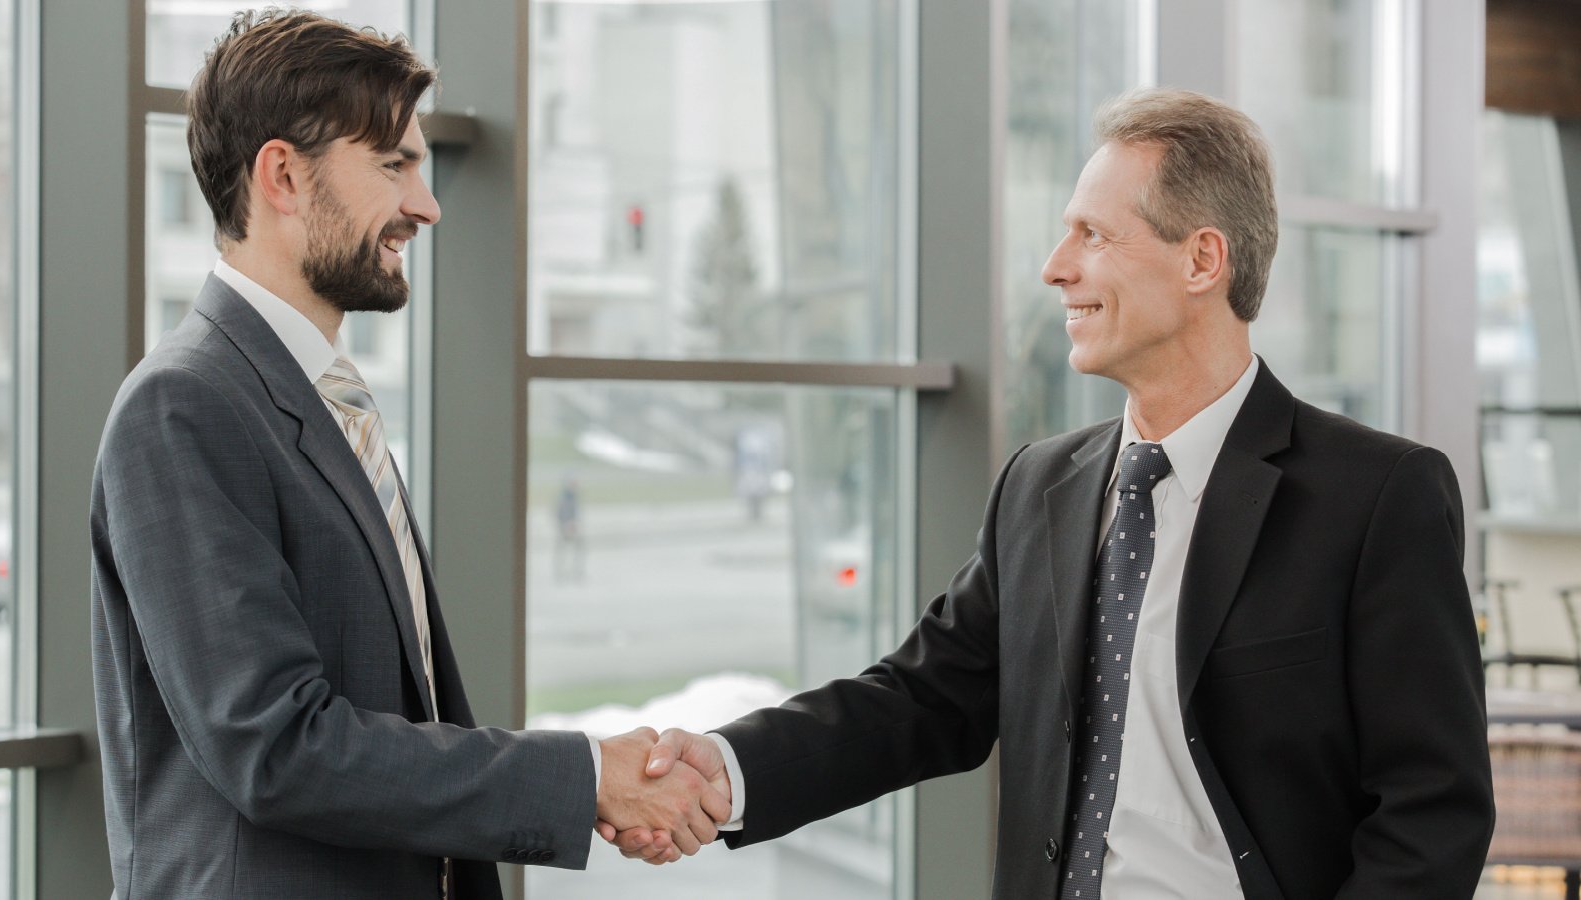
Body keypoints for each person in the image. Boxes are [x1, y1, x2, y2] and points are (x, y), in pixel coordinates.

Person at [605, 89, 1496, 898]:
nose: (1055, 268)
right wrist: (725, 771)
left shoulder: (1375, 496)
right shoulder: (1040, 485)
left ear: (1203, 261)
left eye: (1093, 235)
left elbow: (1431, 811)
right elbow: (923, 700)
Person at [90, 11, 724, 899]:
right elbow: (275, 748)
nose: (426, 205)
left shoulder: (319, 398)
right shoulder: (184, 405)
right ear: (283, 175)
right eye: (393, 165)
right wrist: (582, 779)